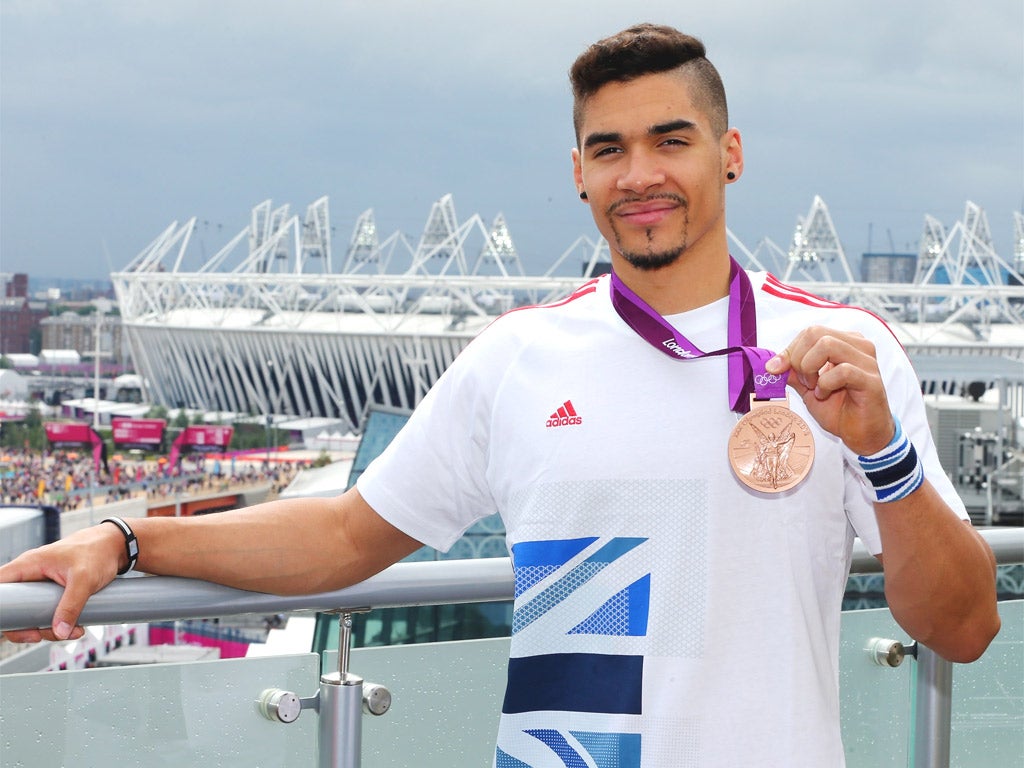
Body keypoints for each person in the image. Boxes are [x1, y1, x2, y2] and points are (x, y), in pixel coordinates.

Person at [1, 23, 999, 767]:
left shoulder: (842, 355)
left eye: (671, 139)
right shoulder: (518, 355)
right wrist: (129, 538)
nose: (639, 174)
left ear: (728, 154)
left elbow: (959, 628)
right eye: (609, 149)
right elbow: (350, 535)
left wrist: (885, 456)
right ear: (577, 174)